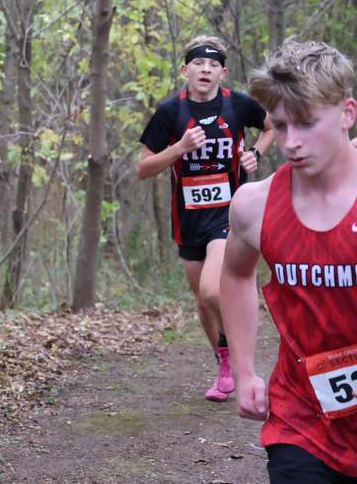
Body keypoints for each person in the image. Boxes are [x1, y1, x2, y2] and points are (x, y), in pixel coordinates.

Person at [220, 38, 357, 482]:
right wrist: (243, 373)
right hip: (301, 420)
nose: (291, 143)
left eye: (306, 124)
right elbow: (237, 274)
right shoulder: (253, 205)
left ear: (347, 115)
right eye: (280, 126)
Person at [137, 35, 275, 402]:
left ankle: (242, 361)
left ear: (224, 73)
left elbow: (272, 126)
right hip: (188, 218)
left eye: (214, 65)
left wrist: (256, 155)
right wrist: (179, 148)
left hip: (229, 213)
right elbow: (143, 168)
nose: (206, 69)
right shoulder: (171, 112)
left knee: (215, 290)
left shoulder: (238, 106)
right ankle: (225, 362)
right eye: (199, 63)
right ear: (185, 70)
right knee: (202, 300)